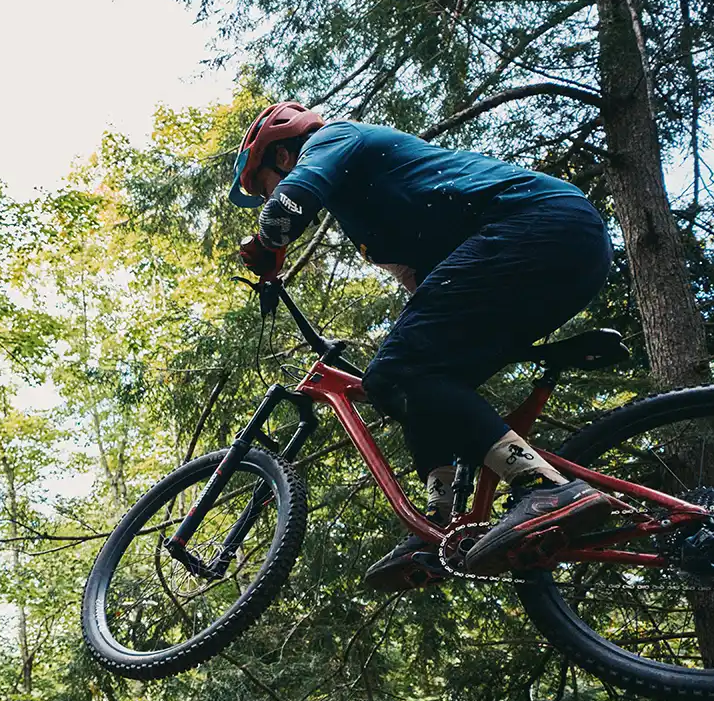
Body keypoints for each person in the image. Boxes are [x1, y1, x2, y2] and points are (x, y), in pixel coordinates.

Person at [228, 101, 615, 591]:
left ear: (282, 154)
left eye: (263, 182)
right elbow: (424, 291)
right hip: (554, 244)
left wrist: (267, 244)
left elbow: (290, 205)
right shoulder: (367, 216)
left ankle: (544, 489)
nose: (270, 192)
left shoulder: (334, 138)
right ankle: (440, 527)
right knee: (416, 386)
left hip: (536, 226)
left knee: (400, 372)